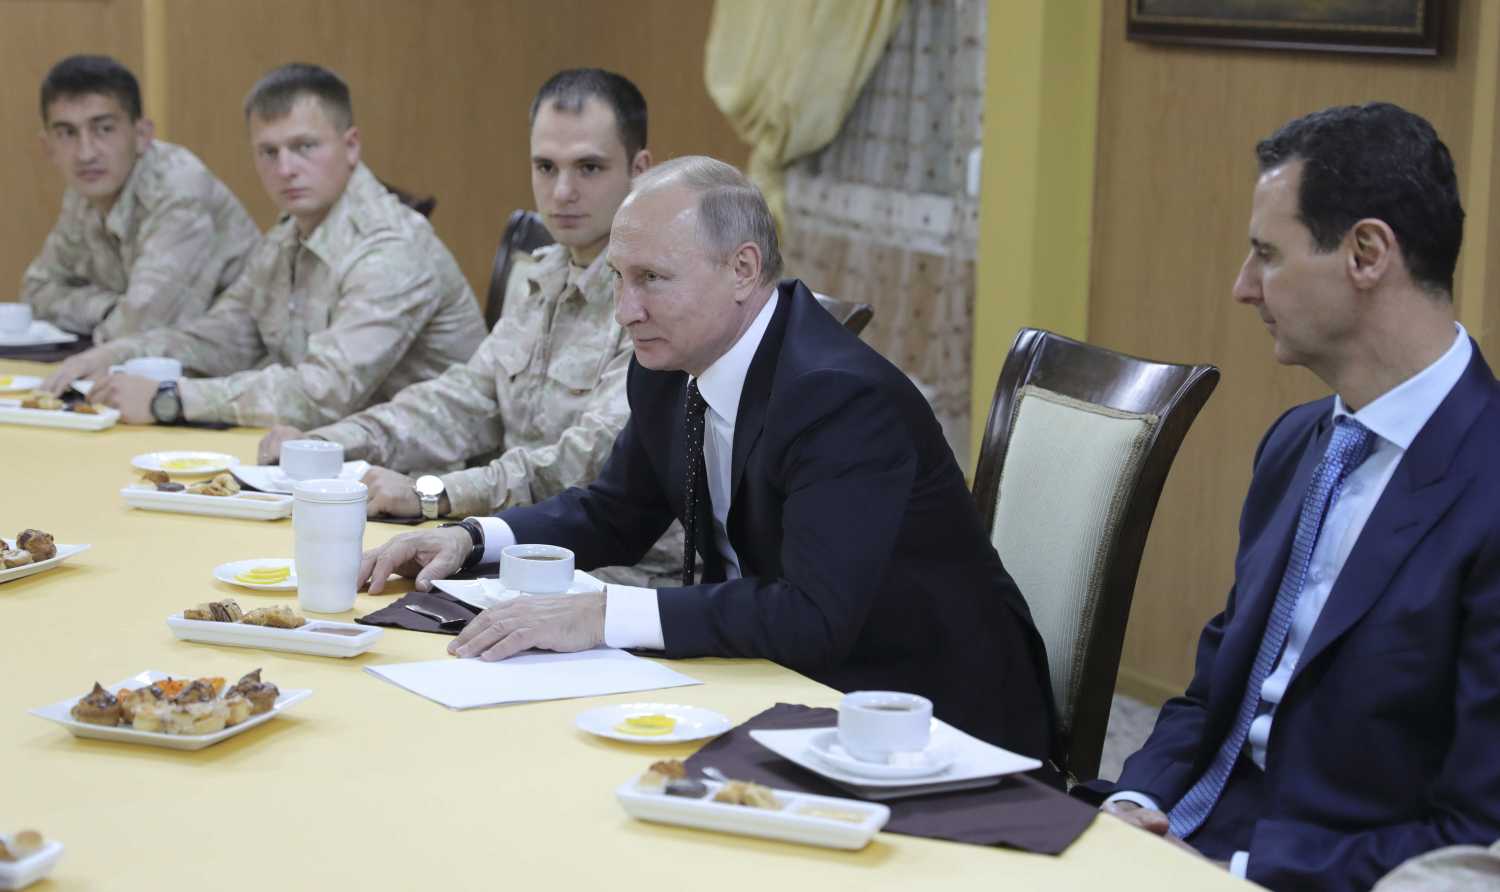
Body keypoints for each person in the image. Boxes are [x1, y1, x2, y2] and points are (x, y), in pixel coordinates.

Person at [356, 156, 1057, 763]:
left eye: (652, 279)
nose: (626, 310)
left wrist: (603, 614)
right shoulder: (669, 363)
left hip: (921, 714)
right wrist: (473, 537)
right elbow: (615, 512)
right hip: (776, 678)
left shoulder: (839, 398)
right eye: (619, 280)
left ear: (742, 270)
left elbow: (813, 616)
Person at [1088, 103, 1500, 891]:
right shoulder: (1298, 442)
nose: (1244, 288)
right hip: (1184, 835)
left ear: (1367, 253)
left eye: (1267, 256)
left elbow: (1476, 834)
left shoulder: (1489, 485)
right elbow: (1214, 695)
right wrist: (1134, 804)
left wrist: (1234, 868)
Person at [256, 68, 680, 587]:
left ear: (639, 170)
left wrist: (434, 494)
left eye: (589, 167)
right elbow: (461, 401)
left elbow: (588, 463)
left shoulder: (655, 297)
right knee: (325, 570)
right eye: (545, 167)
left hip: (622, 576)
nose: (563, 190)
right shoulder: (545, 273)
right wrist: (330, 445)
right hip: (513, 549)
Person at [42, 63, 483, 428]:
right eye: (268, 152)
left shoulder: (391, 248)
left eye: (304, 147)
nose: (286, 169)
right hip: (335, 462)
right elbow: (226, 335)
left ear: (351, 146)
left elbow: (322, 394)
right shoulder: (290, 233)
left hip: (425, 484)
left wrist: (170, 398)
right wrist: (118, 354)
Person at [23, 54, 258, 342]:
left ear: (142, 135)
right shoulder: (84, 191)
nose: (85, 153)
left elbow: (139, 329)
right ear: (47, 147)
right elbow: (36, 293)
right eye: (67, 133)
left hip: (236, 371)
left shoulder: (179, 191)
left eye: (104, 129)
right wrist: (108, 307)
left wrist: (117, 314)